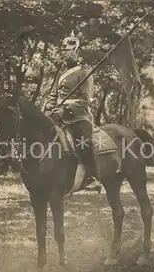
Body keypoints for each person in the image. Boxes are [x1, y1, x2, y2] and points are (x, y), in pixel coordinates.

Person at [44, 31, 100, 190]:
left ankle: (92, 177)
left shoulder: (84, 73)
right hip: (57, 116)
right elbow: (53, 94)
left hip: (78, 117)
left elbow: (85, 100)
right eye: (62, 50)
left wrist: (65, 109)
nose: (63, 53)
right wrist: (49, 107)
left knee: (84, 142)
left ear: (76, 51)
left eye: (67, 50)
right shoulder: (60, 74)